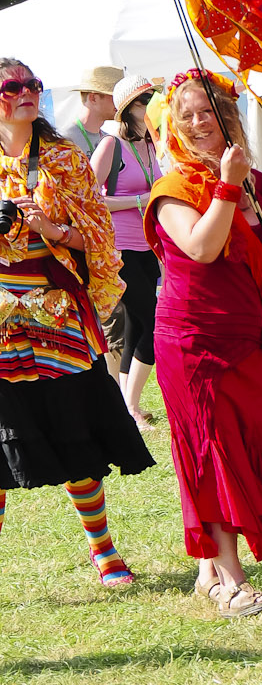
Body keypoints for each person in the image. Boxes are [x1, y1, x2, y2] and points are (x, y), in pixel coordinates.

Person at [147, 69, 262, 616]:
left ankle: (207, 570)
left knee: (243, 446)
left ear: (229, 119)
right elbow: (202, 249)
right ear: (174, 126)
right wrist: (226, 186)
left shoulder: (258, 184)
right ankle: (230, 582)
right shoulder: (170, 191)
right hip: (190, 340)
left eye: (210, 112)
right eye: (188, 115)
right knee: (212, 451)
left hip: (246, 340)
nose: (200, 122)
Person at [0, 57, 153, 586]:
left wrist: (50, 227)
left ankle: (105, 551)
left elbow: (101, 240)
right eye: (12, 87)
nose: (26, 93)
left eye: (32, 85)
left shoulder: (64, 159)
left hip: (56, 314)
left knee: (75, 428)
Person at [90, 75, 161, 430]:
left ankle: (124, 407)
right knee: (155, 323)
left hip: (149, 247)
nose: (149, 104)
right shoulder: (110, 146)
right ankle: (131, 410)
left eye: (151, 97)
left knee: (137, 325)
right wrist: (137, 200)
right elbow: (87, 200)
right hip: (119, 250)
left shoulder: (149, 145)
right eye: (142, 99)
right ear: (125, 108)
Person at [63, 67, 124, 158]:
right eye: (114, 96)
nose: (120, 102)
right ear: (93, 98)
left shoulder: (110, 140)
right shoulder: (65, 139)